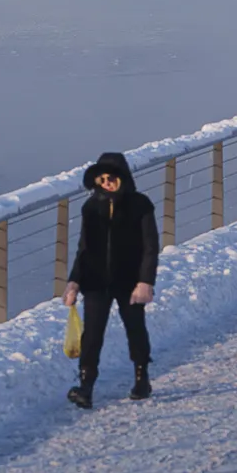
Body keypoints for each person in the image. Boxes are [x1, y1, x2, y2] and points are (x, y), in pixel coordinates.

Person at [63, 151, 158, 408]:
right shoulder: (90, 208)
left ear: (122, 178)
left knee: (135, 329)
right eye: (102, 178)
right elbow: (84, 248)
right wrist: (74, 282)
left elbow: (151, 247)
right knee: (91, 335)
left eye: (111, 178)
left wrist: (145, 282)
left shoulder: (140, 205)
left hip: (130, 281)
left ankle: (142, 379)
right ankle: (86, 386)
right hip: (95, 282)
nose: (106, 182)